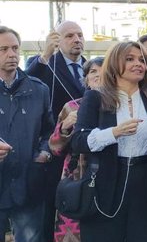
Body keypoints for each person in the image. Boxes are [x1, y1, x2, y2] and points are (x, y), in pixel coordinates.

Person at [71, 41, 147, 242]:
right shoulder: (95, 98)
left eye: (142, 60)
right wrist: (113, 133)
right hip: (106, 183)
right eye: (130, 59)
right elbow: (78, 141)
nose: (138, 64)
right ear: (114, 63)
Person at [26, 20, 88, 242]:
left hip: (86, 151)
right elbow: (27, 82)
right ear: (57, 40)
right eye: (69, 35)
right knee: (53, 202)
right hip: (56, 148)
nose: (76, 39)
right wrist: (45, 54)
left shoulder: (93, 67)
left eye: (79, 34)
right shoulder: (45, 63)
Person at [0, 26, 54, 242]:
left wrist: (44, 153)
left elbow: (49, 130)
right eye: (3, 49)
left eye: (15, 48)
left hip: (27, 183)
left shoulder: (39, 90)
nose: (12, 54)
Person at [49, 57, 104, 242]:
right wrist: (64, 127)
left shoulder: (121, 104)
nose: (97, 75)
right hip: (76, 179)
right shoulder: (71, 106)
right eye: (92, 72)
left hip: (108, 177)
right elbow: (55, 148)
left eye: (103, 70)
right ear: (86, 79)